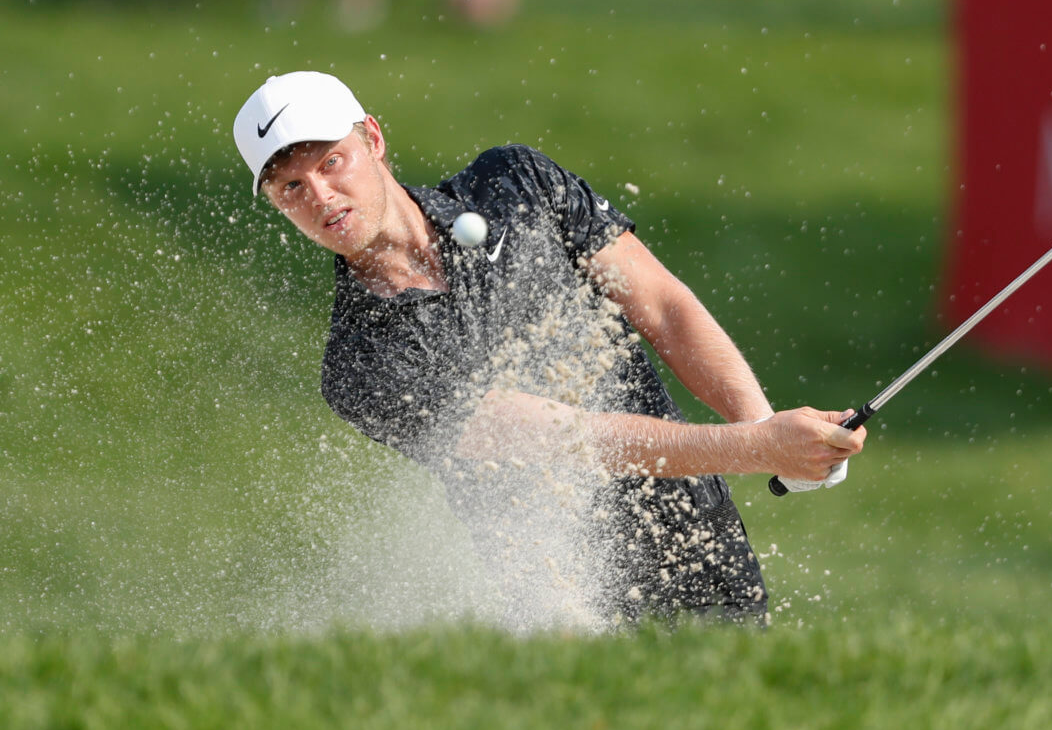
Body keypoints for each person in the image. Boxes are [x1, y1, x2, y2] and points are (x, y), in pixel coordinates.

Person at [232, 71, 867, 626]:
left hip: (699, 536)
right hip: (565, 602)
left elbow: (663, 308)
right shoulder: (362, 364)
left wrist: (769, 429)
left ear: (372, 139)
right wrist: (759, 448)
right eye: (290, 187)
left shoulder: (516, 183)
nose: (320, 197)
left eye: (330, 162)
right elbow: (570, 441)